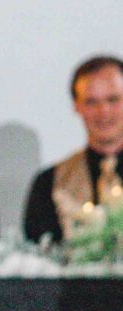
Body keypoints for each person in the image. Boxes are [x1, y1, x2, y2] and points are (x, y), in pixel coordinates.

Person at [23, 55, 123, 242]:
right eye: (91, 102)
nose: (103, 111)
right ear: (77, 106)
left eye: (113, 99)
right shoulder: (49, 184)